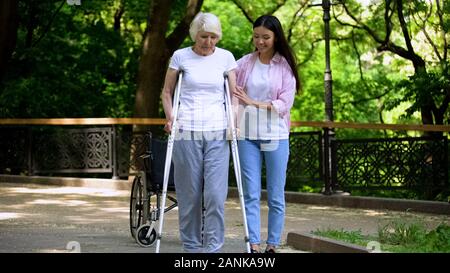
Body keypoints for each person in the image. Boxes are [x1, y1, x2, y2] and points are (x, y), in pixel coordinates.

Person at [160, 12, 237, 253]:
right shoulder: (181, 56)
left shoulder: (225, 58)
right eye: (204, 36)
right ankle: (192, 247)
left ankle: (213, 247)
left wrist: (234, 123)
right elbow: (166, 92)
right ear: (195, 34)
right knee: (189, 194)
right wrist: (170, 117)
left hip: (217, 131)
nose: (209, 42)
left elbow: (234, 96)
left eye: (214, 37)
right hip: (186, 130)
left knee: (214, 195)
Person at [233, 15, 299, 253]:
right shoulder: (245, 63)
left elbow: (284, 104)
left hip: (276, 136)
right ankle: (253, 243)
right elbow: (225, 75)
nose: (260, 41)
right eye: (256, 36)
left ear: (276, 37)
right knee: (250, 193)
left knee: (275, 195)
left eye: (266, 37)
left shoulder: (284, 66)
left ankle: (272, 244)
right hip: (246, 135)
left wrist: (252, 102)